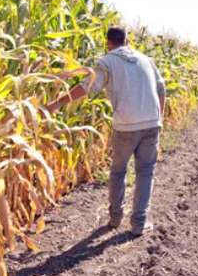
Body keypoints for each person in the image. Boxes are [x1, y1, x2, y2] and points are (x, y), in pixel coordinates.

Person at [46, 26, 166, 236]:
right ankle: (139, 224)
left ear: (108, 42)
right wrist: (160, 118)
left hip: (126, 125)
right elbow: (161, 88)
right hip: (152, 122)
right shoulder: (147, 60)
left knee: (119, 171)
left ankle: (115, 218)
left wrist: (56, 104)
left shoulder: (107, 62)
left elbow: (86, 87)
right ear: (127, 40)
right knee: (145, 172)